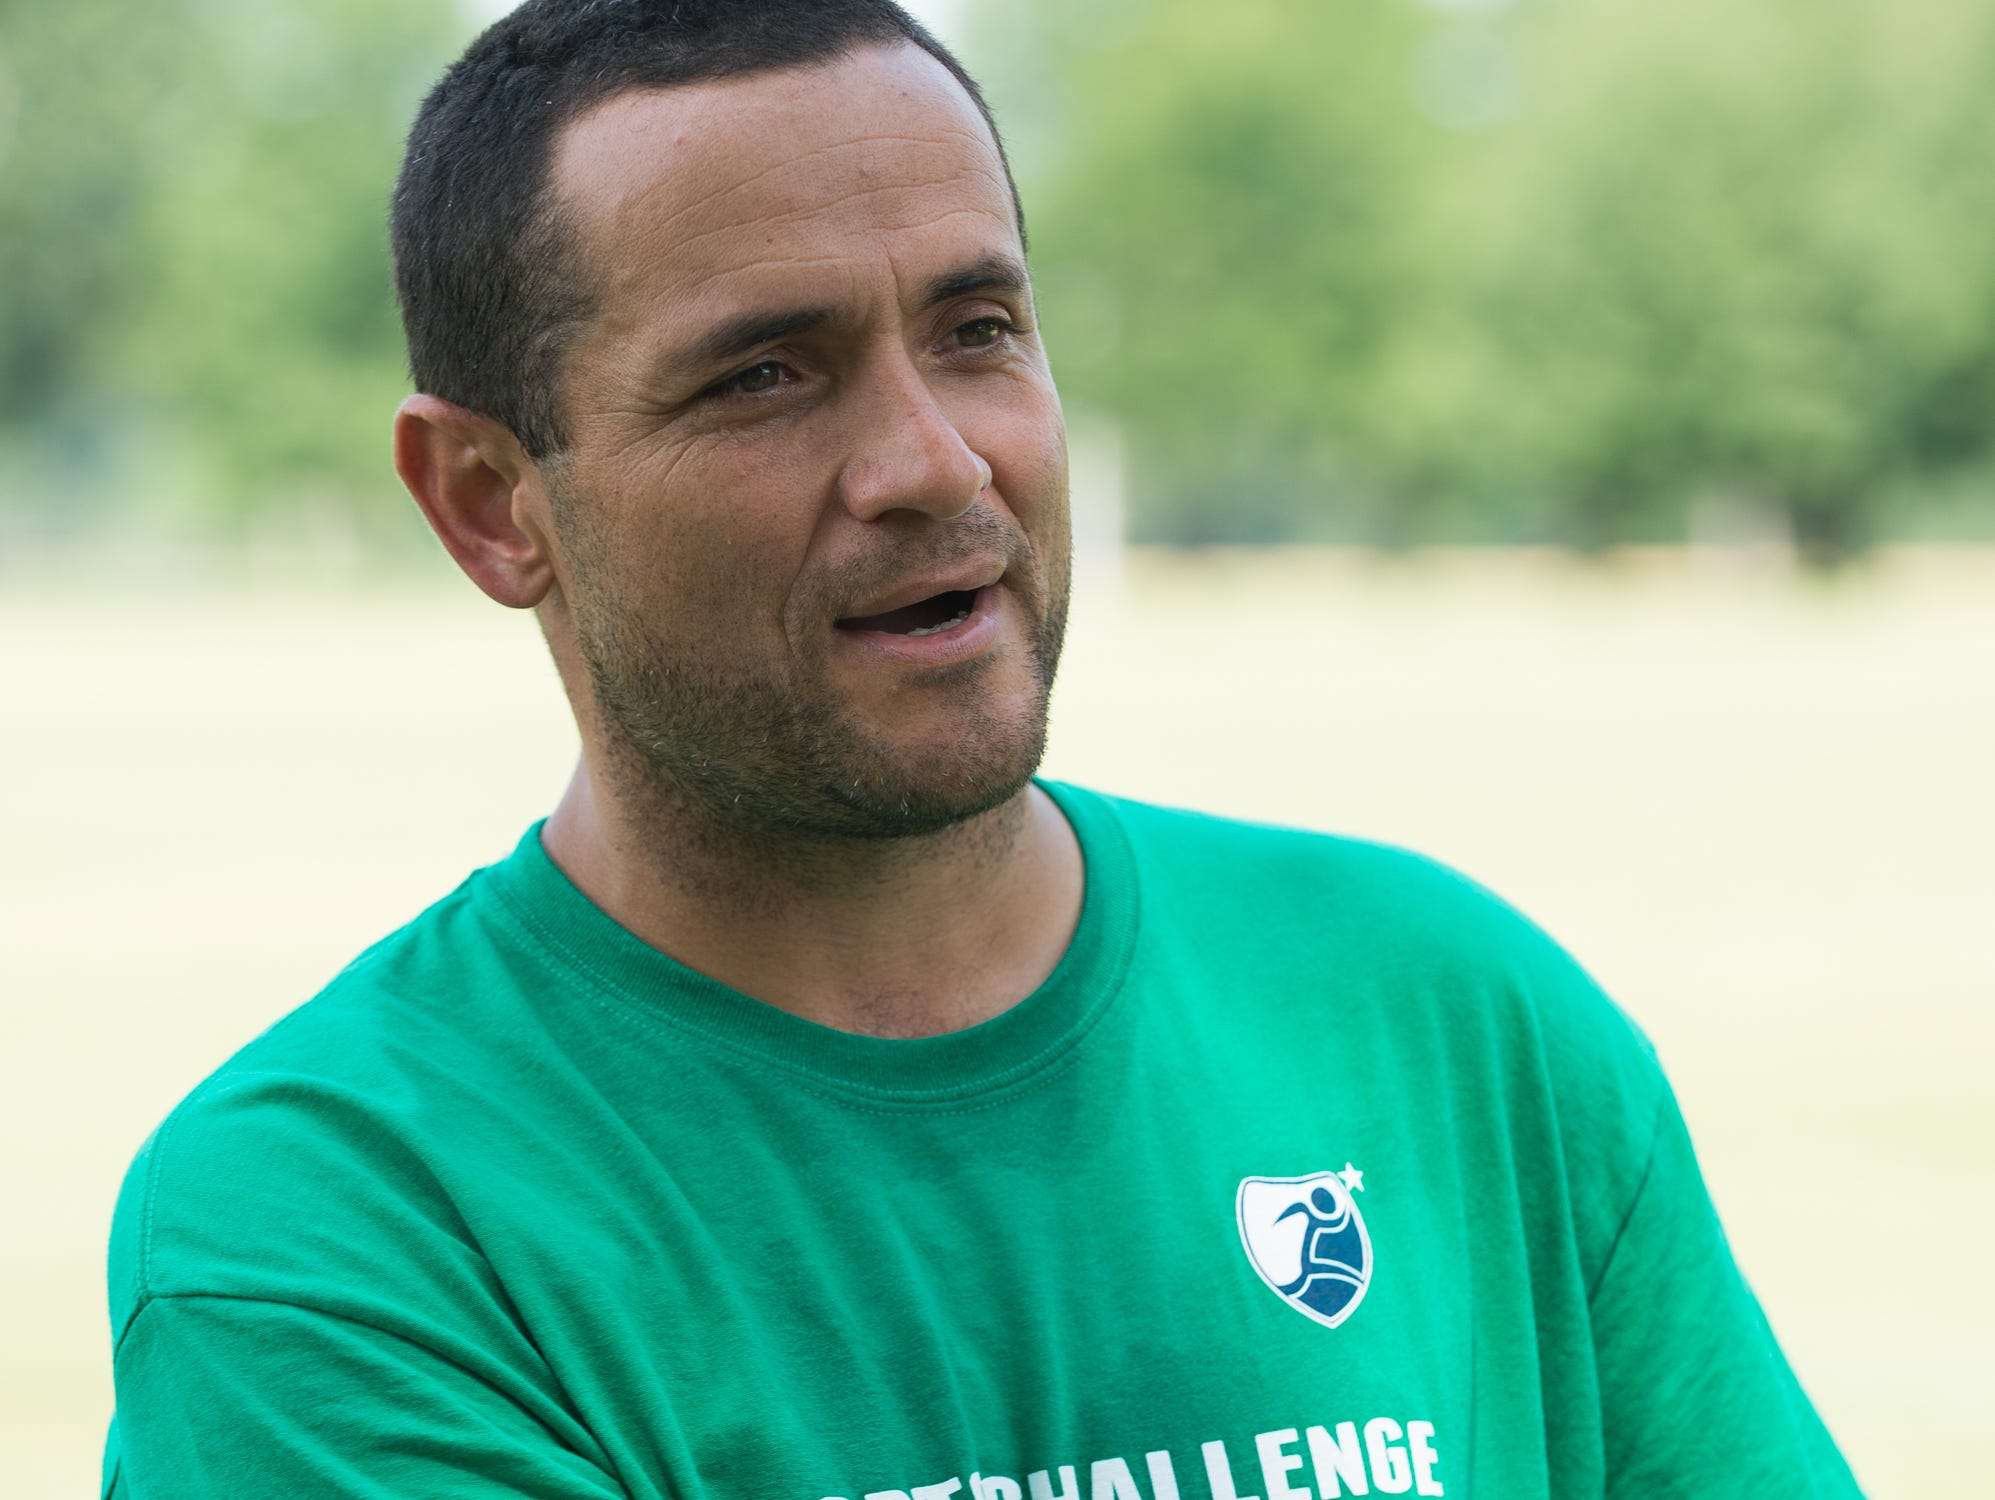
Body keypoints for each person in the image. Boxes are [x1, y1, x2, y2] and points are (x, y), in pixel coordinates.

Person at [100, 2, 1864, 1496]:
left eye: (978, 331)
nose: (936, 464)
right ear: (492, 504)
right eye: (766, 377)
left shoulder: (1447, 1018)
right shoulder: (343, 1230)